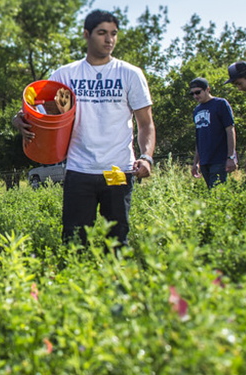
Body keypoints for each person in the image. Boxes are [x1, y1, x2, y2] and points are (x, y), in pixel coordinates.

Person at [12, 9, 156, 246]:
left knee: (118, 241)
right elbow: (39, 111)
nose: (109, 39)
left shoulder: (130, 74)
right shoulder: (65, 74)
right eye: (102, 33)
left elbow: (146, 123)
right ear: (87, 35)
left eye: (114, 34)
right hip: (79, 170)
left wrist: (147, 157)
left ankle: (118, 282)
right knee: (74, 243)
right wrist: (19, 120)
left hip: (118, 170)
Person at [189, 77, 238, 188]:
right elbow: (199, 137)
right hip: (205, 160)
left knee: (218, 193)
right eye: (193, 94)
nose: (195, 96)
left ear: (207, 89)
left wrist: (231, 157)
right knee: (211, 193)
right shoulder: (196, 110)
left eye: (198, 92)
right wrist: (195, 162)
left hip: (219, 159)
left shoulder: (220, 104)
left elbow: (230, 130)